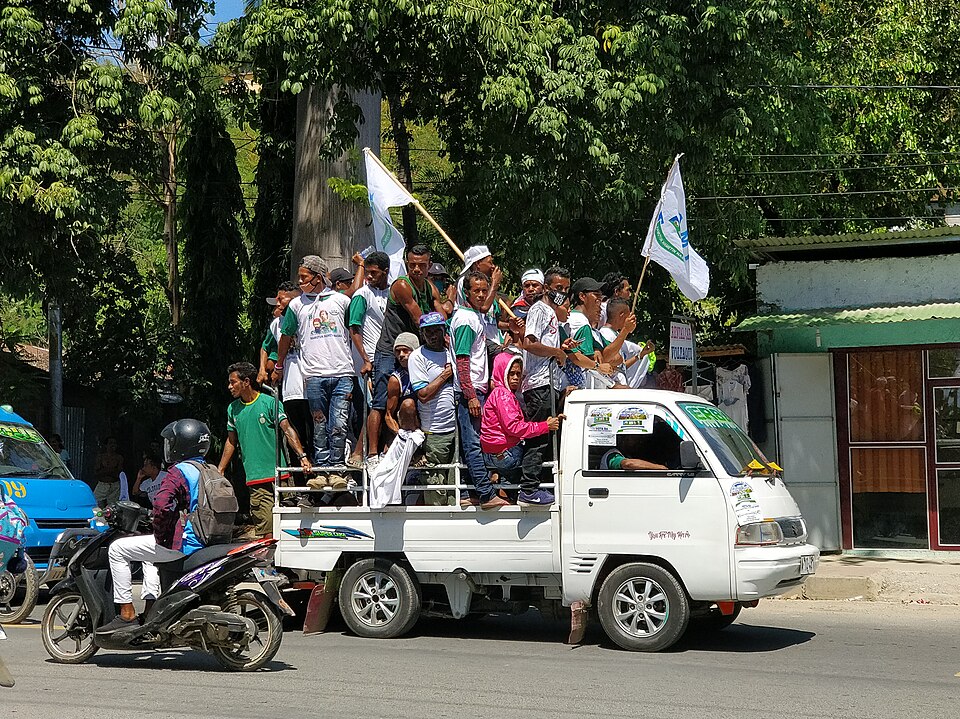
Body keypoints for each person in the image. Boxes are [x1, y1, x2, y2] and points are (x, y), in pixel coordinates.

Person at [97, 419, 210, 634]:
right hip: (205, 541)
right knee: (149, 557)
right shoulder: (207, 469)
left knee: (117, 549)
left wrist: (159, 530)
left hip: (185, 543)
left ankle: (126, 613)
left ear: (181, 445)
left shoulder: (179, 471)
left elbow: (161, 504)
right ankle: (150, 609)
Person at [275, 255, 354, 490]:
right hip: (314, 375)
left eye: (304, 277)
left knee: (339, 423)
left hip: (342, 372)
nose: (300, 282)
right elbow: (286, 336)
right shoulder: (297, 306)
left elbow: (355, 330)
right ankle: (321, 471)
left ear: (318, 278)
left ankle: (337, 469)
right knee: (319, 423)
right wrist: (279, 365)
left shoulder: (341, 301)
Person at [370, 245, 450, 463]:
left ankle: (406, 448)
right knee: (381, 402)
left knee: (410, 402)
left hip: (412, 350)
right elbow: (420, 320)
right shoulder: (403, 285)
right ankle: (370, 453)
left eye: (421, 265)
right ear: (407, 264)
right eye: (412, 265)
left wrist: (447, 315)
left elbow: (439, 312)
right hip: (390, 349)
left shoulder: (429, 287)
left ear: (428, 266)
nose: (416, 269)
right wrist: (441, 334)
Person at [218, 363, 312, 532]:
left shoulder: (269, 402)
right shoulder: (233, 409)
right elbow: (231, 441)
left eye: (233, 382)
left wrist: (302, 457)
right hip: (256, 479)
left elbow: (288, 430)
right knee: (266, 531)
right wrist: (221, 470)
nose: (229, 387)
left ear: (246, 382)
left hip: (280, 477)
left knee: (290, 530)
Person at [452, 271, 507, 509]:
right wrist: (471, 395)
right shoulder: (466, 319)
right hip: (471, 391)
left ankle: (470, 490)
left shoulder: (472, 315)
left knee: (472, 443)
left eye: (485, 290)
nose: (482, 294)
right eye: (477, 291)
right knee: (474, 443)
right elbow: (463, 360)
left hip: (475, 389)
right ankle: (485, 493)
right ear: (466, 292)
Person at [481, 353, 563, 505]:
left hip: (498, 452)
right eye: (511, 373)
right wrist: (545, 426)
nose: (515, 378)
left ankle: (510, 493)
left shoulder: (499, 394)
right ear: (501, 372)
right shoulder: (503, 395)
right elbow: (515, 427)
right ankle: (530, 492)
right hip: (506, 453)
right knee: (536, 449)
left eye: (518, 374)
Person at [408, 312, 457, 506]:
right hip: (434, 431)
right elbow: (423, 395)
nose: (434, 335)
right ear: (422, 334)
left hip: (456, 428)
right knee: (435, 484)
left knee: (455, 480)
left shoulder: (451, 352)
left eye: (438, 329)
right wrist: (446, 374)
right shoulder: (417, 356)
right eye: (429, 331)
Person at [347, 251, 391, 468]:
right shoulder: (362, 295)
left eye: (374, 273)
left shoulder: (392, 293)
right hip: (370, 361)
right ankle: (360, 452)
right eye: (368, 272)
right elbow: (354, 328)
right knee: (375, 405)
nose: (369, 276)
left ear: (386, 272)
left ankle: (385, 450)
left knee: (388, 404)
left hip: (391, 357)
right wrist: (365, 359)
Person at [368, 401, 425, 509]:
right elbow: (388, 415)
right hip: (398, 442)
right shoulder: (404, 436)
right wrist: (399, 434)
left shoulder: (416, 436)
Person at [565, 277, 617, 389]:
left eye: (601, 296)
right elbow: (586, 361)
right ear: (582, 296)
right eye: (596, 295)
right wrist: (612, 384)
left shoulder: (574, 318)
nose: (599, 300)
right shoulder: (581, 323)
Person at [456, 245, 507, 342]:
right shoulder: (464, 282)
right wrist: (495, 284)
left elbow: (492, 321)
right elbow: (482, 308)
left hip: (495, 341)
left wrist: (510, 326)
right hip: (479, 341)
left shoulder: (489, 286)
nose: (493, 266)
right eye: (490, 262)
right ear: (478, 263)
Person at [600, 298, 655, 388]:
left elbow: (621, 367)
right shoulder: (606, 334)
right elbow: (607, 359)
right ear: (621, 315)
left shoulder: (616, 334)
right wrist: (626, 330)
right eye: (628, 316)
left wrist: (640, 355)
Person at [258, 281, 300, 387]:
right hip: (288, 383)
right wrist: (263, 369)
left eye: (281, 300)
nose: (277, 305)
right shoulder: (276, 324)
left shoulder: (306, 317)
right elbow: (265, 347)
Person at [385, 332, 419, 436]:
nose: (401, 355)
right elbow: (388, 415)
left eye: (405, 350)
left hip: (428, 417)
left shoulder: (426, 370)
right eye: (398, 351)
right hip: (407, 422)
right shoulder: (396, 379)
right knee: (408, 404)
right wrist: (399, 434)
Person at [93, 436, 124, 508]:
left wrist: (106, 471)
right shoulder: (101, 457)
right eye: (110, 443)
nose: (113, 445)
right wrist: (110, 471)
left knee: (113, 507)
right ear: (106, 445)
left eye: (114, 443)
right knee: (95, 504)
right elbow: (96, 472)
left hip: (114, 485)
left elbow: (119, 473)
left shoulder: (119, 458)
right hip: (102, 484)